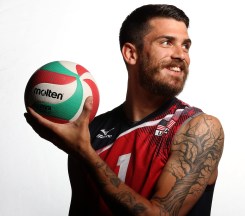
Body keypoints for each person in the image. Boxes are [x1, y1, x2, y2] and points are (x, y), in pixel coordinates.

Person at [24, 4, 224, 216]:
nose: (181, 55)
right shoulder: (89, 132)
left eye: (186, 46)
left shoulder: (200, 129)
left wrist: (84, 153)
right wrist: (82, 150)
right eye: (166, 42)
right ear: (131, 53)